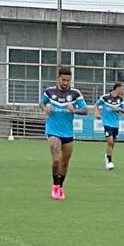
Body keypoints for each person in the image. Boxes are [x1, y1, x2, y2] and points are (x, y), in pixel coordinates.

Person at [40, 66, 89, 200]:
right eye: (63, 80)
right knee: (57, 159)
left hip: (68, 133)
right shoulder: (49, 92)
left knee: (65, 163)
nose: (65, 82)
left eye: (68, 80)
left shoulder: (75, 93)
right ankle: (55, 186)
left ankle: (61, 186)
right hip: (53, 131)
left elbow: (85, 110)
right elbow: (42, 103)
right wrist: (45, 109)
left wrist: (74, 110)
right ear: (58, 78)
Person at [96, 83, 124, 170]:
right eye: (122, 89)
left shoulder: (120, 100)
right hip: (107, 123)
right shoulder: (105, 97)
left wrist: (119, 109)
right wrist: (97, 113)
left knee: (112, 142)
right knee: (109, 141)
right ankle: (109, 161)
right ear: (117, 88)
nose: (123, 91)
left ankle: (107, 155)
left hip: (115, 124)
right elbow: (97, 104)